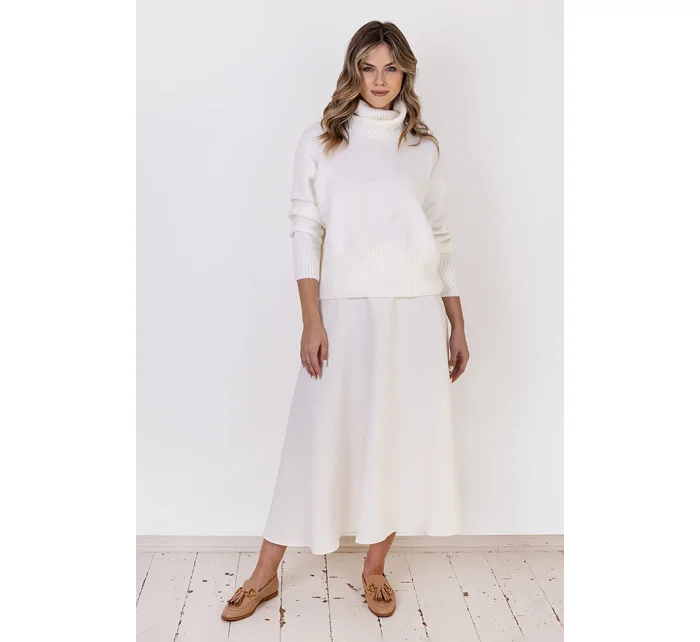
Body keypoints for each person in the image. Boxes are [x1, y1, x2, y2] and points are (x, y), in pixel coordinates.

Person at [222, 20, 470, 623]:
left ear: (406, 72)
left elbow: (439, 236)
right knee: (314, 437)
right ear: (352, 71)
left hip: (413, 311)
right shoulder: (322, 140)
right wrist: (311, 320)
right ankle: (263, 574)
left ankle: (375, 569)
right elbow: (305, 228)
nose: (379, 80)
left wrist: (457, 321)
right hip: (343, 307)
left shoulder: (423, 147)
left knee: (396, 437)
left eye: (391, 68)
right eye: (368, 67)